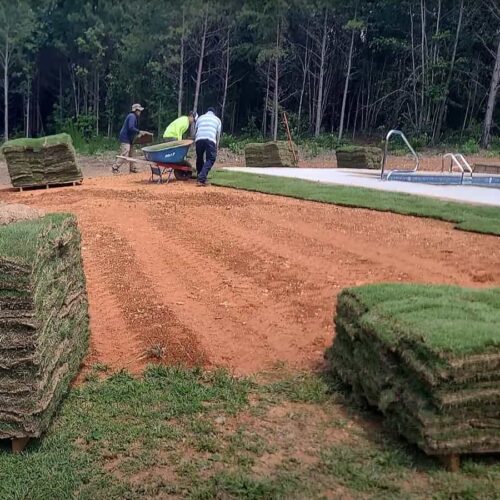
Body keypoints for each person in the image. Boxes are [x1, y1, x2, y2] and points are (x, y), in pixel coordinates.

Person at [112, 103, 144, 173]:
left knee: (132, 153)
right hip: (125, 137)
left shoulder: (133, 117)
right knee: (125, 152)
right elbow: (131, 127)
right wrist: (139, 132)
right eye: (139, 110)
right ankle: (115, 167)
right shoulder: (132, 116)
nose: (140, 112)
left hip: (129, 138)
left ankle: (133, 168)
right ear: (135, 110)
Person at [194, 107, 222, 186]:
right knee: (211, 158)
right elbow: (218, 134)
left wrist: (195, 140)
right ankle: (201, 178)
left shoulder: (200, 118)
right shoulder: (217, 120)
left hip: (199, 139)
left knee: (199, 157)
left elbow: (196, 130)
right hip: (210, 139)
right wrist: (217, 145)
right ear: (214, 113)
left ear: (207, 112)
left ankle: (200, 176)